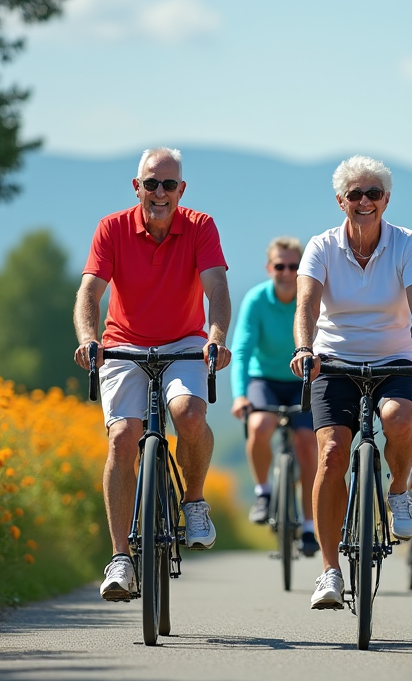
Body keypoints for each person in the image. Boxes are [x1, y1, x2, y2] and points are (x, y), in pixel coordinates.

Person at [73, 147, 232, 602]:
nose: (159, 193)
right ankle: (121, 557)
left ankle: (194, 500)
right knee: (123, 437)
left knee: (189, 416)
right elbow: (90, 293)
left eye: (168, 185)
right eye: (150, 184)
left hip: (185, 341)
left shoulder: (200, 226)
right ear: (136, 186)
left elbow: (216, 288)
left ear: (181, 190)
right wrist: (89, 338)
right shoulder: (112, 228)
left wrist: (215, 337)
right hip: (123, 344)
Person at [290, 155, 412, 610]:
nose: (364, 202)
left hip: (393, 357)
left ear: (386, 200)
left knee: (398, 418)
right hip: (334, 360)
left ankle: (399, 489)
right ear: (341, 200)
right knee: (333, 453)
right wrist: (304, 348)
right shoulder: (320, 246)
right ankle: (329, 571)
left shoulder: (406, 243)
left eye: (373, 194)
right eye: (355, 194)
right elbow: (306, 308)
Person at [230, 237, 319, 555]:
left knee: (309, 444)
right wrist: (240, 395)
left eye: (294, 267)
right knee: (259, 426)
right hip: (264, 378)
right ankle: (263, 492)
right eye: (280, 266)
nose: (286, 272)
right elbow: (241, 351)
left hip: (302, 380)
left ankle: (310, 527)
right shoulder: (256, 300)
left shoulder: (310, 299)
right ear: (269, 268)